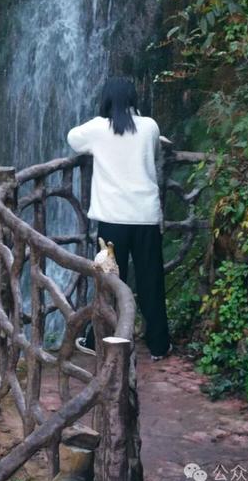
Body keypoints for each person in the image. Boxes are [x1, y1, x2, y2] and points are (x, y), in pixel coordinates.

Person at [66, 76, 172, 361]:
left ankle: (96, 340)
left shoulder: (97, 129)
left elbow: (72, 138)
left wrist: (99, 129)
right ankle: (159, 345)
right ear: (134, 100)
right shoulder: (150, 127)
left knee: (109, 282)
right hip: (145, 217)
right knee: (151, 281)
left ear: (107, 100)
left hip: (112, 221)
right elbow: (153, 149)